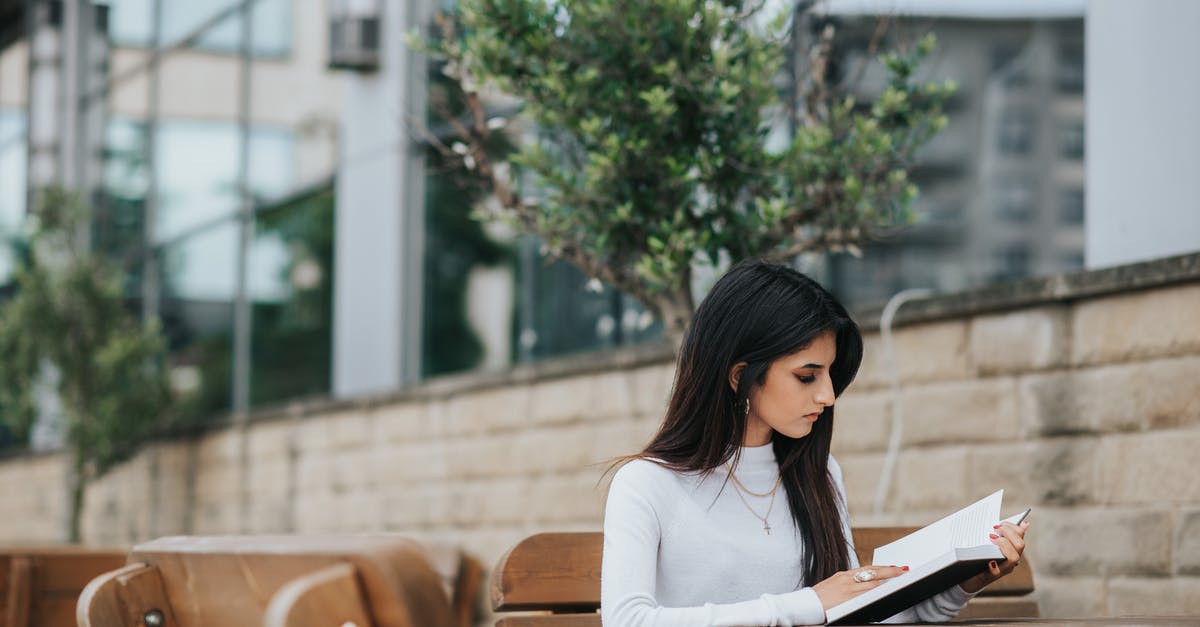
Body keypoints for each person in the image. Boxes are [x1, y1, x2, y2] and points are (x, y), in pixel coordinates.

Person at [600, 260, 1030, 626]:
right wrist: (809, 604)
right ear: (739, 376)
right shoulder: (647, 484)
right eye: (806, 376)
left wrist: (961, 583)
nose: (827, 396)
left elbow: (854, 611)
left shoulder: (818, 474)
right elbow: (628, 620)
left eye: (828, 375)